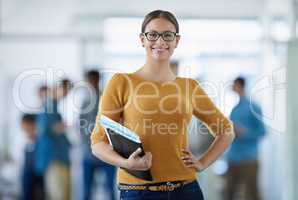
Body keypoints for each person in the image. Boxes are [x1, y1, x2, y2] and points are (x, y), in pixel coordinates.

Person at [90, 10, 235, 200]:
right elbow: (98, 142)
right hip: (138, 192)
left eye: (168, 35)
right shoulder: (121, 82)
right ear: (142, 39)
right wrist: (127, 163)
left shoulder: (189, 87)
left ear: (177, 41)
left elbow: (226, 130)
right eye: (153, 34)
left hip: (186, 190)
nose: (160, 41)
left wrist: (202, 163)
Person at [224, 77, 266, 200]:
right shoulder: (234, 109)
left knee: (252, 193)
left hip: (249, 159)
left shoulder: (254, 107)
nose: (232, 88)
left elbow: (262, 132)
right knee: (229, 193)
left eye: (234, 85)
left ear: (240, 86)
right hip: (233, 158)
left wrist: (245, 133)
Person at [79, 70, 116, 200]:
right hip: (89, 153)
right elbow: (81, 128)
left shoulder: (107, 99)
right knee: (87, 190)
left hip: (107, 152)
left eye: (93, 80)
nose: (91, 83)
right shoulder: (84, 102)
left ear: (98, 80)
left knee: (110, 189)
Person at [35, 79, 72, 200]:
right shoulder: (49, 106)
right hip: (54, 159)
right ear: (57, 88)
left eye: (68, 91)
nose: (66, 94)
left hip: (61, 158)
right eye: (65, 90)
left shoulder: (55, 107)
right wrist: (61, 127)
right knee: (58, 195)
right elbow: (44, 130)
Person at [20, 113, 44, 200]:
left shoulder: (41, 141)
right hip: (27, 179)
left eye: (25, 127)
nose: (23, 130)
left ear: (33, 125)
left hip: (37, 178)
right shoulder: (27, 141)